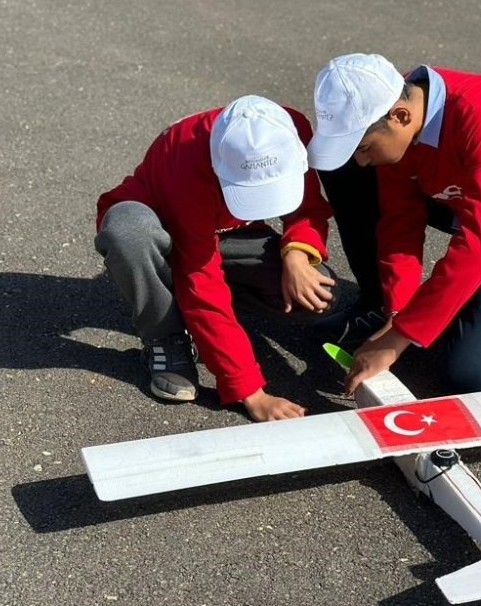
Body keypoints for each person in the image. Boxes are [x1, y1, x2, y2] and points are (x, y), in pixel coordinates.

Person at [308, 53, 481, 397]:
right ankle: (379, 304)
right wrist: (397, 311)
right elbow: (400, 222)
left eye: (365, 147)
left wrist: (397, 338)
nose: (360, 157)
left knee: (467, 376)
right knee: (344, 171)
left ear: (400, 116)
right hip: (451, 198)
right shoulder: (394, 105)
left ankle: (442, 313)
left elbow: (480, 241)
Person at [94, 95, 336, 421]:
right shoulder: (184, 159)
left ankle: (200, 318)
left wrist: (297, 254)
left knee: (316, 296)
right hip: (160, 227)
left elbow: (308, 208)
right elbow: (201, 279)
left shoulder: (286, 130)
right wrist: (250, 391)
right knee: (129, 232)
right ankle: (165, 336)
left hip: (224, 234)